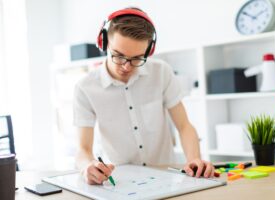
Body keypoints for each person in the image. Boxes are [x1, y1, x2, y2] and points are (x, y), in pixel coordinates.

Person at [73, 7, 214, 185]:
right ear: (105, 42)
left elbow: (184, 126)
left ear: (149, 50)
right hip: (119, 182)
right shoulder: (85, 88)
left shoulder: (162, 72)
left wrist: (194, 159)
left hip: (166, 177)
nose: (126, 66)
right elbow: (83, 149)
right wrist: (87, 166)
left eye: (137, 58)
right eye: (118, 56)